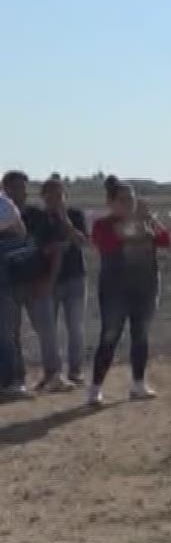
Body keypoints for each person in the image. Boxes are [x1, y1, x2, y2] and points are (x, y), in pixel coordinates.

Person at [87, 178, 171, 406]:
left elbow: (165, 239)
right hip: (115, 289)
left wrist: (151, 219)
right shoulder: (102, 225)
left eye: (132, 199)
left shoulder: (145, 222)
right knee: (110, 336)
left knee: (141, 335)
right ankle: (95, 388)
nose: (129, 204)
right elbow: (114, 241)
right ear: (111, 202)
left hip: (145, 287)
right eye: (123, 200)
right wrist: (140, 222)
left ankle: (138, 383)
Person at [3, 170, 63, 393]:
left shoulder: (38, 216)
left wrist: (49, 281)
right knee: (9, 334)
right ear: (5, 189)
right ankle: (16, 380)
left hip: (38, 283)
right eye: (17, 188)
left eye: (24, 188)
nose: (23, 193)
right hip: (7, 285)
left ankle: (54, 375)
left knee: (46, 330)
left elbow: (55, 250)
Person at [42, 176, 91, 390]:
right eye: (51, 195)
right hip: (48, 280)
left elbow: (81, 241)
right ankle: (53, 373)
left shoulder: (75, 215)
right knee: (48, 329)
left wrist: (66, 222)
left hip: (74, 278)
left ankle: (76, 371)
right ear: (44, 197)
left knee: (75, 327)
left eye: (60, 195)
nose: (56, 199)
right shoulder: (40, 218)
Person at [0, 187, 31, 400]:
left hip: (7, 280)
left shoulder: (4, 204)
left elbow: (14, 231)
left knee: (8, 333)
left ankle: (15, 381)